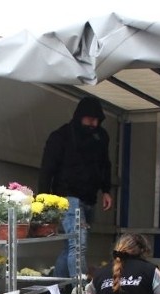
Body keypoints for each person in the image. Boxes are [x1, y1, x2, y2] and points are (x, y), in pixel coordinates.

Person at [38, 95, 113, 282]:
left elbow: (105, 164)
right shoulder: (61, 136)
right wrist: (43, 200)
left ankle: (55, 288)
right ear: (80, 116)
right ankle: (80, 293)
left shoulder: (101, 136)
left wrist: (106, 190)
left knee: (71, 245)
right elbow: (47, 169)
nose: (94, 123)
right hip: (67, 197)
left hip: (89, 197)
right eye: (90, 119)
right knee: (78, 245)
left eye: (97, 120)